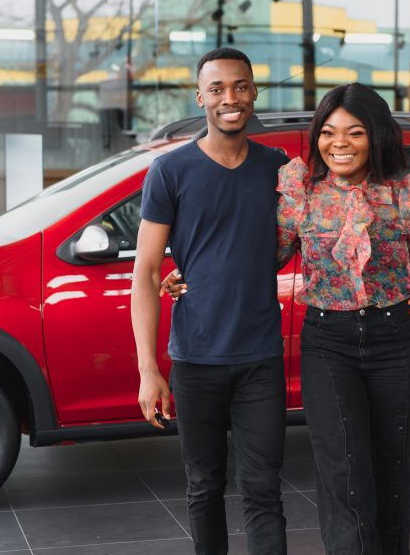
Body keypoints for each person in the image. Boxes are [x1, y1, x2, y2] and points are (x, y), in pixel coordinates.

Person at [276, 83, 410, 555]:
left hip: (398, 339)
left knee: (393, 473)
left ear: (376, 136)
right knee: (343, 471)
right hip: (327, 342)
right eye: (329, 133)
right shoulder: (302, 194)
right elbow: (262, 257)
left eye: (354, 132)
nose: (340, 143)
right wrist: (194, 270)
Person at [131, 47, 290, 555]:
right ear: (200, 97)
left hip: (260, 356)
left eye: (240, 86)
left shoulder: (278, 168)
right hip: (195, 358)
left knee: (265, 490)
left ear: (254, 93)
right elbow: (147, 273)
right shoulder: (170, 171)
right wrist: (148, 370)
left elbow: (314, 237)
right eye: (217, 88)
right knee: (205, 488)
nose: (230, 98)